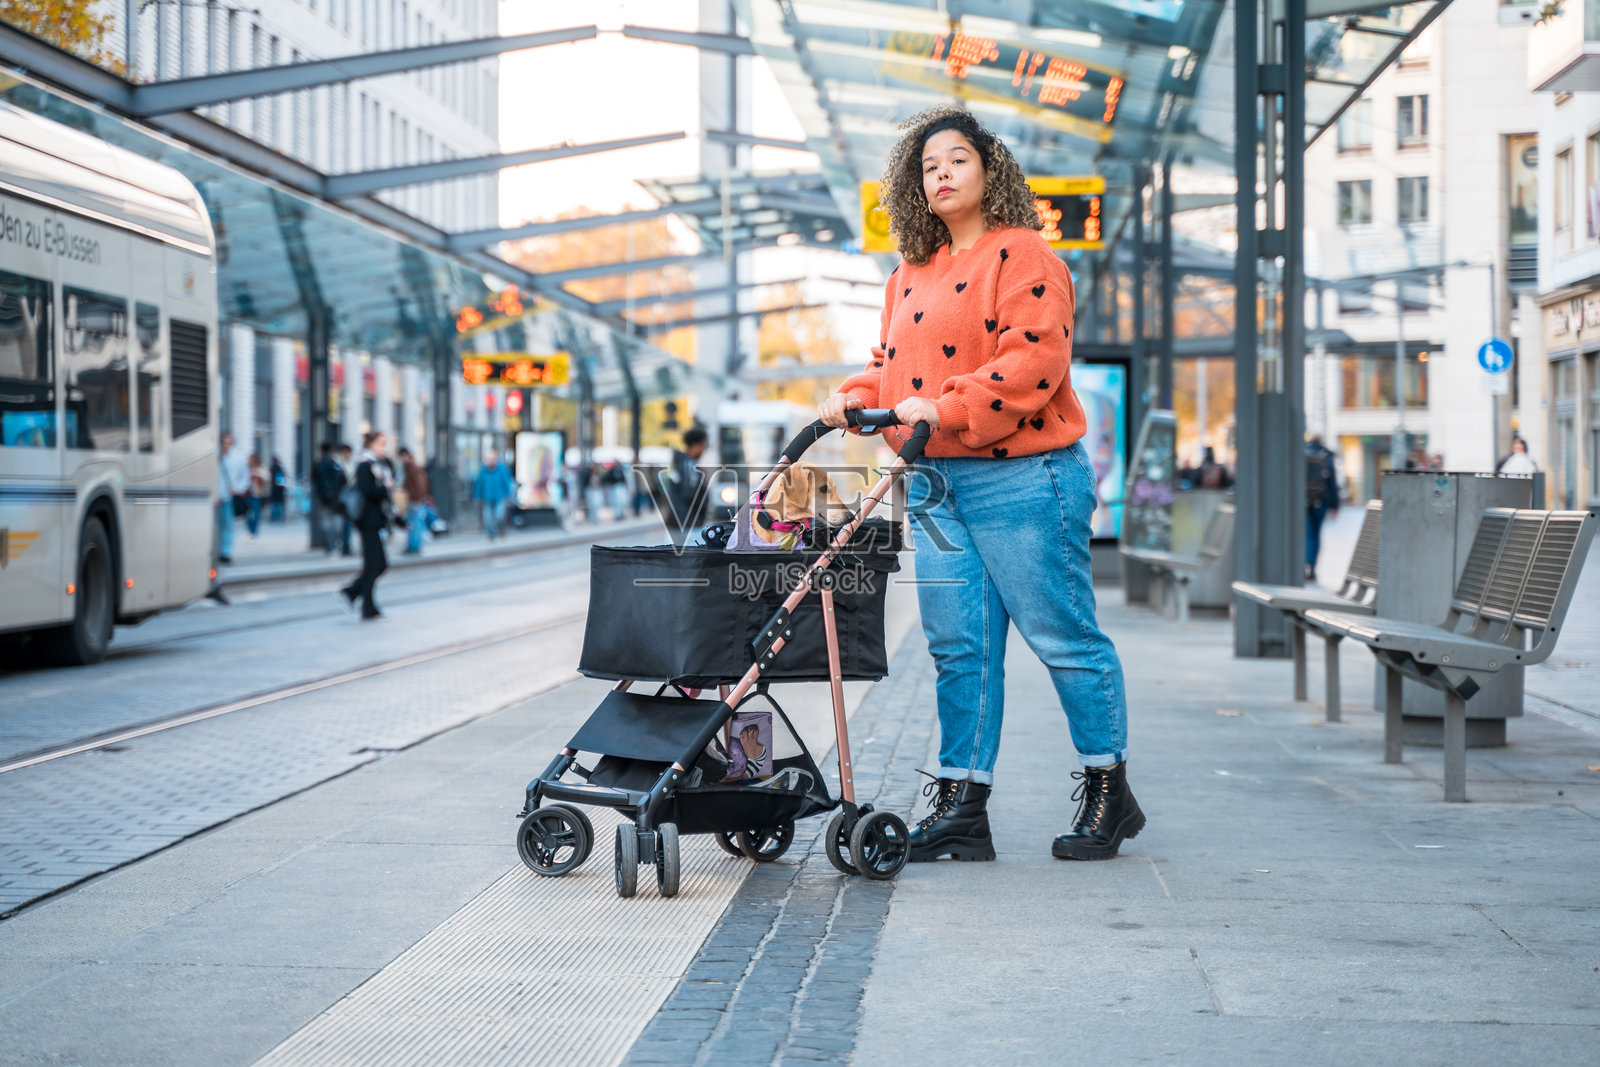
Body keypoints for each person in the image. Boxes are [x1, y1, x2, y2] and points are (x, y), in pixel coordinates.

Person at [820, 105, 1142, 865]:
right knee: (959, 648)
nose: (941, 174)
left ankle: (1109, 787)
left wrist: (946, 405)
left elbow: (1034, 360)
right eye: (928, 166)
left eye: (957, 159)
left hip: (1023, 479)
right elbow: (898, 371)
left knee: (1063, 638)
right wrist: (853, 394)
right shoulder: (908, 273)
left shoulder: (1023, 253)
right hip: (935, 483)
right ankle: (964, 804)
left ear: (990, 170)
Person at [339, 431, 394, 620]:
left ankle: (361, 599)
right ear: (370, 445)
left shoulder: (380, 465)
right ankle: (357, 597)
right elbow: (367, 491)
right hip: (366, 521)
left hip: (375, 520)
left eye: (385, 444)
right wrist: (385, 489)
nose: (384, 448)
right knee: (376, 564)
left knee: (376, 564)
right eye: (381, 444)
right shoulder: (364, 465)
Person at [1306, 436, 1340, 581]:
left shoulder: (1303, 453)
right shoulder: (1326, 456)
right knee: (1316, 534)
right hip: (1321, 500)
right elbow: (1332, 483)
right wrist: (1335, 506)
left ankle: (1305, 563)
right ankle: (1312, 566)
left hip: (1304, 501)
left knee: (1307, 534)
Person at [663, 426, 709, 533]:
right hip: (685, 524)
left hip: (685, 523)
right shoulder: (687, 466)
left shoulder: (685, 464)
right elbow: (688, 494)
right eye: (702, 445)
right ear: (695, 445)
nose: (703, 449)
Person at [313, 442, 351, 557]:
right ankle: (336, 546)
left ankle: (330, 547)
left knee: (327, 524)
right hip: (336, 498)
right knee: (336, 524)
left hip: (324, 499)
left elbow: (315, 481)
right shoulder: (335, 465)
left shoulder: (318, 464)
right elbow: (343, 480)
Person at [216, 431, 249, 564]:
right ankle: (217, 551)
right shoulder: (215, 456)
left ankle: (226, 553)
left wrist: (237, 489)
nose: (226, 445)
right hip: (215, 497)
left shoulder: (238, 458)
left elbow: (245, 478)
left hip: (228, 497)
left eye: (229, 442)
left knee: (228, 525)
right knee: (216, 526)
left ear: (233, 443)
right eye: (224, 442)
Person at [473, 450, 516, 540]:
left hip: (500, 498)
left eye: (492, 459)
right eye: (489, 459)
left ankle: (501, 529)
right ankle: (491, 535)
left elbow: (506, 483)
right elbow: (479, 485)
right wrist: (477, 497)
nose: (491, 461)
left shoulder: (502, 469)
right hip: (487, 499)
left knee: (499, 516)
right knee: (488, 519)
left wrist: (508, 497)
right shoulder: (483, 471)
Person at [398, 447, 432, 555]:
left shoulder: (412, 468)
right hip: (413, 500)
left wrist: (418, 499)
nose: (401, 459)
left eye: (402, 457)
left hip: (414, 500)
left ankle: (415, 546)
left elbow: (420, 485)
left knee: (415, 523)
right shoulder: (410, 467)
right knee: (413, 523)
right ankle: (412, 545)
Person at [245, 453, 268, 537]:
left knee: (256, 514)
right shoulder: (247, 469)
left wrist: (257, 476)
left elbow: (266, 480)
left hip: (258, 495)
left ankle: (254, 531)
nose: (250, 461)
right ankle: (251, 530)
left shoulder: (262, 468)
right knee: (248, 514)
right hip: (247, 494)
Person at [268, 455, 288, 523]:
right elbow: (283, 479)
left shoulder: (271, 468)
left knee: (274, 505)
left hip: (273, 489)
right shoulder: (280, 468)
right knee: (281, 505)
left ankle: (273, 518)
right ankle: (282, 518)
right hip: (280, 489)